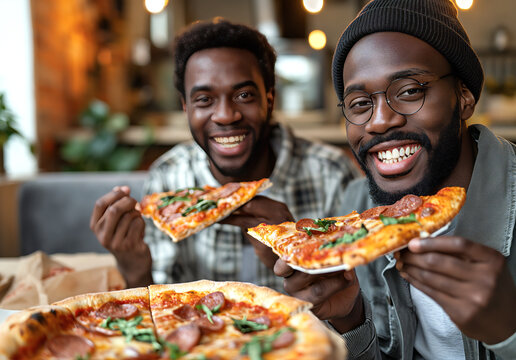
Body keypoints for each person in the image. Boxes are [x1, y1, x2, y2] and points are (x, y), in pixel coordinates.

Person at [274, 0, 516, 359]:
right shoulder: (356, 208)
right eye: (359, 104)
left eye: (409, 92)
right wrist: (351, 322)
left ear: (463, 95)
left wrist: (508, 334)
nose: (379, 121)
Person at [90, 18, 359, 293]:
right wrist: (136, 271)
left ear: (269, 99)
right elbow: (162, 314)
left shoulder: (333, 173)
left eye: (243, 95)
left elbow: (364, 311)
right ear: (185, 107)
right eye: (204, 99)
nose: (225, 115)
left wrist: (295, 253)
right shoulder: (168, 177)